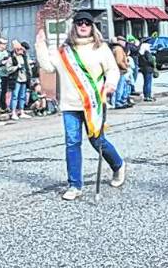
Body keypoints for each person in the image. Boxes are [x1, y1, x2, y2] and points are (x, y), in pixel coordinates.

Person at [35, 11, 126, 201]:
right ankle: (74, 185)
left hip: (93, 103)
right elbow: (48, 67)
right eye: (79, 23)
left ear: (92, 26)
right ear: (74, 26)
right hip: (70, 105)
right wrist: (40, 44)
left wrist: (110, 84)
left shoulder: (100, 49)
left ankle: (118, 165)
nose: (83, 26)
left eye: (87, 23)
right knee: (72, 143)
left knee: (97, 141)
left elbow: (112, 70)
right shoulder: (63, 51)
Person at [7, 41, 31, 120]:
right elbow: (8, 69)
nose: (21, 51)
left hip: (24, 78)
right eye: (19, 49)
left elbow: (28, 67)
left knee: (22, 96)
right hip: (16, 79)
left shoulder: (24, 57)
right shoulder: (11, 58)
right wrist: (17, 67)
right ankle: (13, 112)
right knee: (15, 96)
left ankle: (22, 111)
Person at [111, 36, 132, 109]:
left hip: (118, 71)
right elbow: (119, 61)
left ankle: (120, 101)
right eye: (123, 41)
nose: (124, 43)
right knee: (120, 87)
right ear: (119, 41)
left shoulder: (115, 48)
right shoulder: (118, 49)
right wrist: (125, 67)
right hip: (120, 71)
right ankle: (118, 102)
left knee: (122, 86)